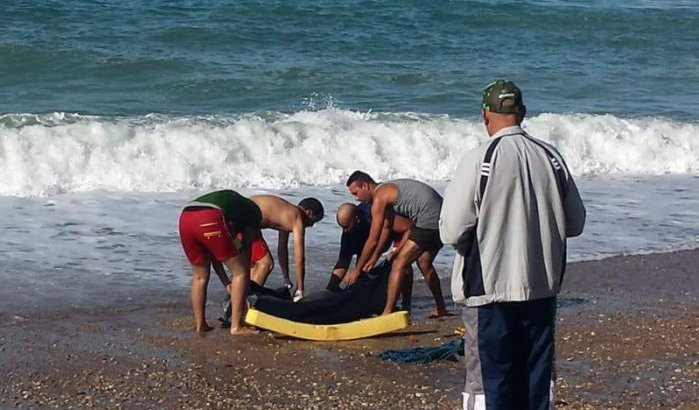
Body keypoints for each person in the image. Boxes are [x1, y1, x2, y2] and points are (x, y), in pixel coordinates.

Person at [439, 80, 586, 409]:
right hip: (541, 289)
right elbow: (575, 223)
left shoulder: (480, 158)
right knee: (535, 383)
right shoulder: (551, 156)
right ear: (522, 113)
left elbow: (450, 230)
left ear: (485, 116)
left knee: (488, 389)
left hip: (489, 292)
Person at [344, 171, 449, 317]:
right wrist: (374, 257)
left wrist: (357, 269)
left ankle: (387, 313)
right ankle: (441, 308)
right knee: (424, 262)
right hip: (444, 217)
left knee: (399, 263)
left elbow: (373, 239)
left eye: (356, 193)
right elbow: (386, 229)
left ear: (366, 186)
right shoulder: (385, 190)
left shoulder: (380, 197)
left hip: (428, 219)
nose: (356, 199)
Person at [178, 189, 260, 335]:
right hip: (210, 216)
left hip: (185, 217)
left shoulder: (233, 205)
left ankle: (200, 324)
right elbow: (246, 249)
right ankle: (237, 326)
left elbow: (216, 254)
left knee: (199, 276)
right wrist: (242, 281)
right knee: (241, 272)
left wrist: (226, 282)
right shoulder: (253, 214)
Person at [327, 203, 414, 309]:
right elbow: (343, 261)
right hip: (372, 241)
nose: (345, 231)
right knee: (361, 273)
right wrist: (330, 289)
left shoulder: (375, 213)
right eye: (342, 228)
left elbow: (409, 228)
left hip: (399, 233)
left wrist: (397, 251)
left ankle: (406, 304)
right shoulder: (348, 233)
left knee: (401, 263)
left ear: (357, 219)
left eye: (347, 227)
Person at [248, 195, 324, 302]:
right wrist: (300, 289)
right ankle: (244, 304)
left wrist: (286, 278)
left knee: (255, 266)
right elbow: (299, 258)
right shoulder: (297, 218)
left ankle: (239, 302)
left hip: (244, 220)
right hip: (244, 221)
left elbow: (282, 249)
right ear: (309, 213)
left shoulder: (287, 212)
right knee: (266, 264)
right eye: (313, 221)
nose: (311, 226)